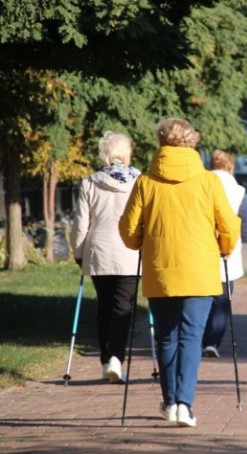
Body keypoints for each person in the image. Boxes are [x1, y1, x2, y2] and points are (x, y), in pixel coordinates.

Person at [119, 118, 241, 427]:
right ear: (192, 143)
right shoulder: (208, 181)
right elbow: (228, 225)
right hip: (200, 271)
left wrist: (139, 243)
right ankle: (185, 404)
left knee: (166, 337)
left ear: (161, 141)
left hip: (161, 270)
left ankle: (170, 402)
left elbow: (129, 230)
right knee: (191, 336)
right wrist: (225, 247)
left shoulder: (146, 182)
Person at [71, 131, 141, 384]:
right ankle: (116, 359)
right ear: (126, 153)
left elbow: (81, 223)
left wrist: (78, 253)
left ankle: (105, 360)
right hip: (130, 251)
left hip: (98, 250)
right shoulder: (140, 181)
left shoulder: (89, 182)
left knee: (105, 307)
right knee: (123, 307)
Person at [202, 149, 247, 359]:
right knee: (222, 301)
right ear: (230, 167)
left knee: (201, 297)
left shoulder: (201, 183)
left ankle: (197, 337)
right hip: (227, 253)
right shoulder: (238, 191)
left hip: (201, 251)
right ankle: (212, 341)